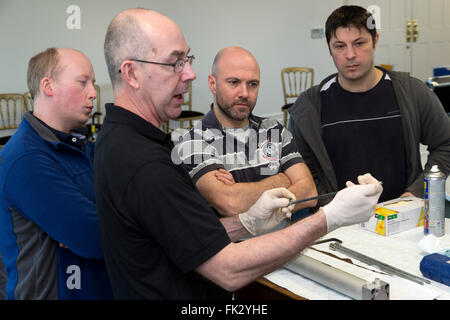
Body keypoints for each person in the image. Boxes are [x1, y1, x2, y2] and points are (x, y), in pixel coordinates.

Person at [95, 8, 383, 300]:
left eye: (187, 60)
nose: (189, 73)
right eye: (174, 63)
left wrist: (248, 221)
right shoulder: (147, 161)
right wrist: (329, 217)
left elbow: (191, 235)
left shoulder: (137, 141)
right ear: (131, 73)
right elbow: (227, 261)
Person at [288, 5, 450, 207]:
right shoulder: (308, 108)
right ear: (329, 48)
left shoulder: (412, 92)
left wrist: (416, 192)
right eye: (340, 46)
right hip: (338, 226)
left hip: (403, 218)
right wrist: (331, 207)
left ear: (375, 41)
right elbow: (299, 167)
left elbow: (446, 144)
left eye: (359, 43)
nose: (350, 55)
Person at [0, 48, 113, 299]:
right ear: (48, 86)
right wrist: (98, 219)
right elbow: (94, 237)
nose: (93, 93)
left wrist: (104, 214)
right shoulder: (26, 158)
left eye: (92, 83)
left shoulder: (81, 145)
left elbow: (124, 197)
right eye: (82, 82)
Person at [175, 46, 317, 220]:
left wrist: (243, 194)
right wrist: (279, 180)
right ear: (213, 84)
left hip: (290, 242)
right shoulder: (194, 142)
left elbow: (309, 191)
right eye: (233, 82)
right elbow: (231, 203)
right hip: (238, 246)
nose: (244, 93)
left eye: (252, 84)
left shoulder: (274, 130)